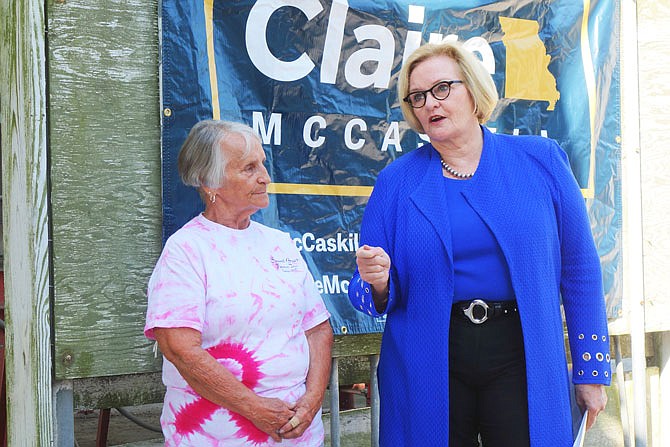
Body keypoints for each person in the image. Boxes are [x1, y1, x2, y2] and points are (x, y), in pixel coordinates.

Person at [348, 41, 610, 447]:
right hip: (430, 357)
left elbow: (581, 270)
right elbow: (367, 289)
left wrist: (591, 372)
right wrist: (378, 280)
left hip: (520, 351)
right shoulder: (395, 182)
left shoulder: (542, 160)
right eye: (417, 97)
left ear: (473, 90)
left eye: (441, 89)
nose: (429, 104)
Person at [145, 120, 333, 446]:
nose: (265, 176)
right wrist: (255, 408)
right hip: (214, 434)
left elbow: (317, 329)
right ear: (209, 182)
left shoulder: (280, 243)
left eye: (262, 163)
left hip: (299, 433)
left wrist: (313, 399)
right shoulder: (186, 250)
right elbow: (179, 349)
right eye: (249, 168)